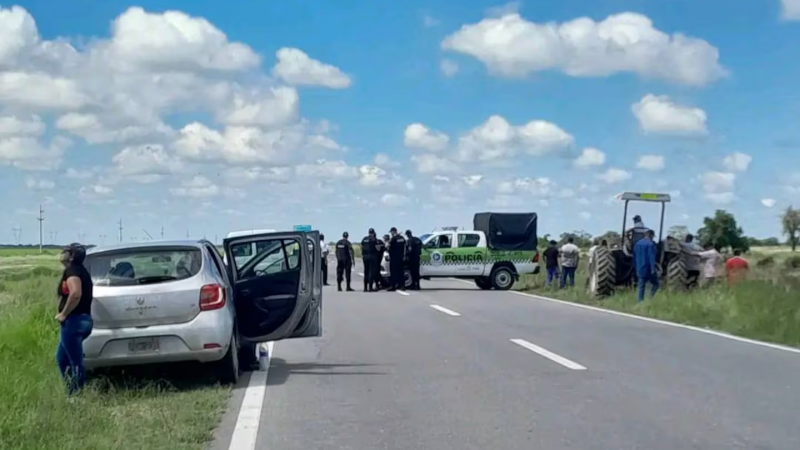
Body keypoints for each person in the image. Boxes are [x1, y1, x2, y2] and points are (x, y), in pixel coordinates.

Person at [56, 243, 94, 395]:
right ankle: (71, 390)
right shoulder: (80, 270)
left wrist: (64, 313)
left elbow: (76, 294)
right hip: (81, 320)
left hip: (74, 321)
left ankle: (76, 395)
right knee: (62, 358)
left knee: (74, 361)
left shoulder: (73, 271)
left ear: (71, 256)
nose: (62, 254)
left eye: (66, 251)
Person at [633, 230, 659, 302]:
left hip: (639, 268)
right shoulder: (650, 244)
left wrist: (635, 267)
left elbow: (634, 257)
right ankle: (650, 297)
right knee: (656, 284)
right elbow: (651, 257)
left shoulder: (637, 244)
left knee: (641, 286)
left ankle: (640, 302)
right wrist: (653, 269)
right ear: (651, 235)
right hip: (648, 268)